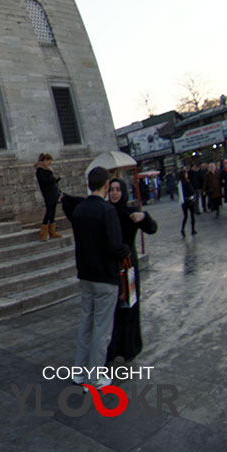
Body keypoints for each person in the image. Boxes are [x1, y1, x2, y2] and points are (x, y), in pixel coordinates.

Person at [61, 166, 129, 389]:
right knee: (102, 328)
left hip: (86, 275)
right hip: (105, 277)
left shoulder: (79, 210)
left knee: (86, 324)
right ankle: (95, 376)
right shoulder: (107, 211)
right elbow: (114, 246)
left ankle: (79, 372)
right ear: (107, 185)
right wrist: (125, 251)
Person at [106, 178, 156, 363]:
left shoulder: (131, 212)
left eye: (118, 189)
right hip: (111, 265)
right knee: (113, 310)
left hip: (128, 265)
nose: (115, 193)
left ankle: (129, 347)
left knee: (130, 305)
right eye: (111, 189)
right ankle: (112, 348)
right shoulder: (106, 212)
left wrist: (144, 217)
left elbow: (152, 228)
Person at [35, 153, 62, 241]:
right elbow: (44, 182)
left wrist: (56, 179)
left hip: (52, 192)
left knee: (52, 212)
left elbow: (51, 181)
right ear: (45, 160)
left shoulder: (46, 169)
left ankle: (52, 232)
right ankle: (43, 234)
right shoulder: (40, 170)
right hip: (48, 193)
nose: (50, 163)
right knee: (49, 212)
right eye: (49, 161)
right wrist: (53, 178)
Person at [178, 169, 197, 237]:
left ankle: (183, 229)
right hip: (189, 200)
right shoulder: (186, 182)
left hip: (184, 202)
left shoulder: (180, 183)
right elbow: (191, 191)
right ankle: (192, 230)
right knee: (192, 216)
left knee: (186, 216)